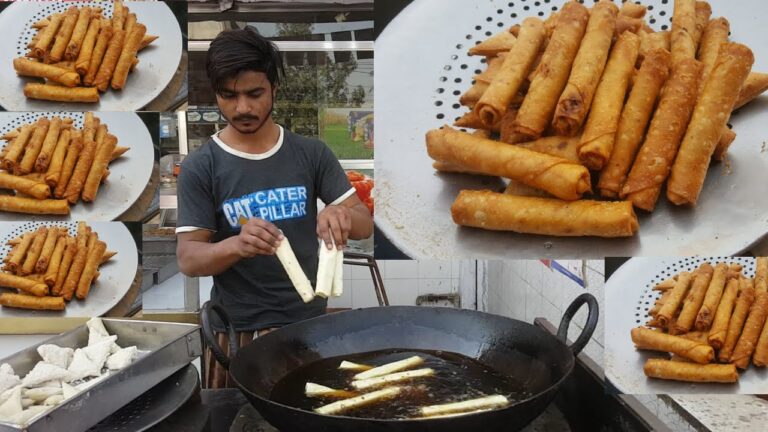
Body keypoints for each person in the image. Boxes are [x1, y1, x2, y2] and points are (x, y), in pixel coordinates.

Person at [175, 27, 373, 388]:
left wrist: (339, 214)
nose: (243, 108)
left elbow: (364, 222)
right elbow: (189, 258)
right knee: (232, 420)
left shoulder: (310, 154)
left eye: (255, 93)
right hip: (236, 333)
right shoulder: (202, 166)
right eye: (228, 96)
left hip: (307, 327)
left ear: (274, 90)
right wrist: (236, 244)